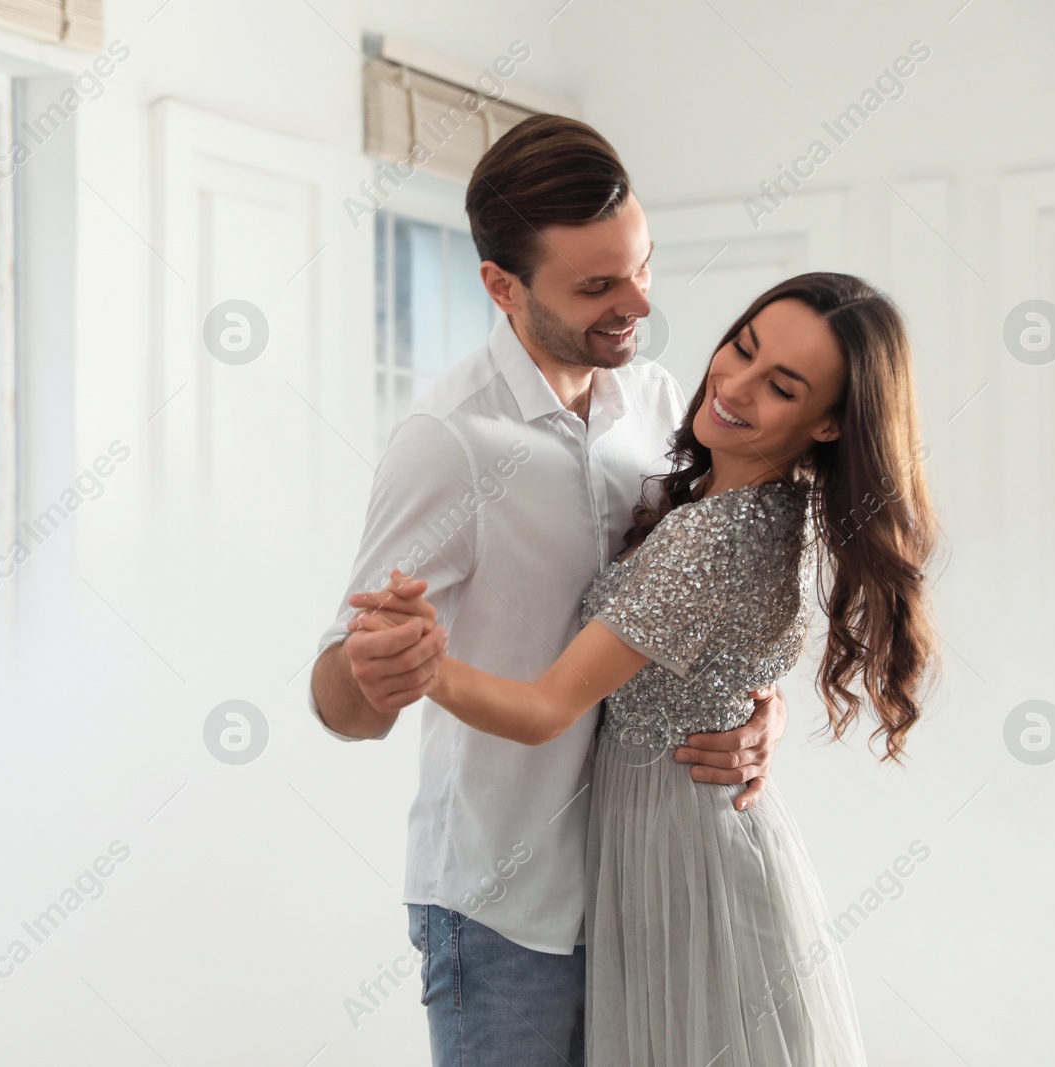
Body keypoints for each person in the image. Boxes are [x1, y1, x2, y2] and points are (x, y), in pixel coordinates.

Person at [352, 271, 941, 1065]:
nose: (734, 383)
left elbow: (545, 709)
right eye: (742, 347)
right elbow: (730, 655)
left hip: (679, 857)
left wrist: (423, 658)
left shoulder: (711, 536)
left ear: (830, 424)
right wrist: (756, 706)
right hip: (672, 849)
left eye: (782, 387)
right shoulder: (779, 510)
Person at [307, 115, 792, 1067]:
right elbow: (342, 709)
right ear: (501, 284)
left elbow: (700, 598)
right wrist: (379, 668)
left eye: (643, 266)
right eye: (598, 286)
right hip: (503, 911)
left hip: (642, 883)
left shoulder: (660, 406)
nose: (636, 304)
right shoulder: (448, 443)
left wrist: (757, 705)